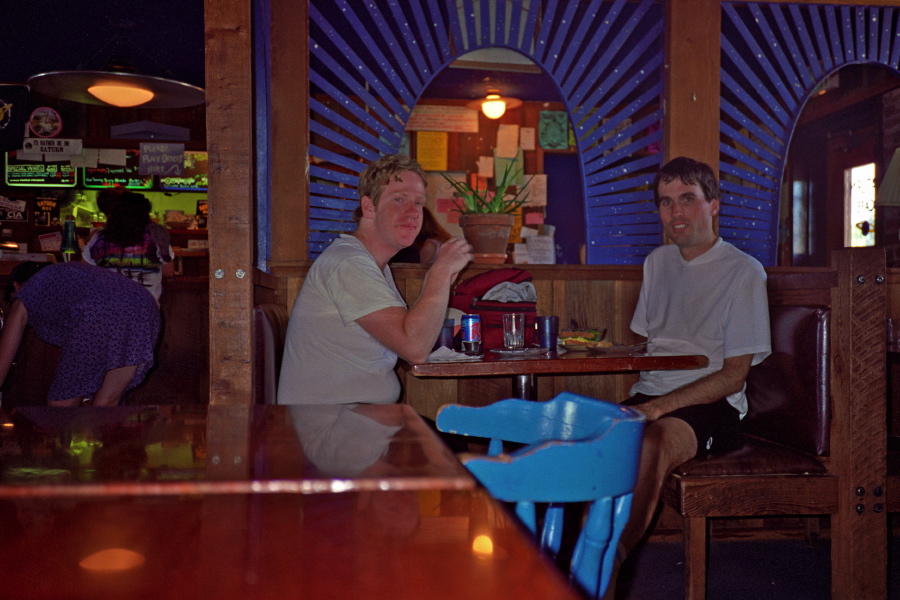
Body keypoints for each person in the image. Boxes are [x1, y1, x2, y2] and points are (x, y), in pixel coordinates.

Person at [611, 157, 772, 589]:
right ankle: (561, 549)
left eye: (687, 199)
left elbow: (734, 376)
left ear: (714, 205)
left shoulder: (743, 272)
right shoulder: (657, 262)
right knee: (585, 431)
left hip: (713, 405)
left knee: (653, 441)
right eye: (666, 203)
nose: (676, 213)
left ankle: (608, 566)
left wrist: (659, 408)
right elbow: (655, 345)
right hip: (652, 394)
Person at [277, 154, 472, 405]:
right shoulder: (348, 264)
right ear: (369, 207)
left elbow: (410, 336)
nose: (413, 212)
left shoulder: (371, 264)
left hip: (355, 421)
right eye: (399, 199)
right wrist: (440, 272)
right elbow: (414, 348)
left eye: (419, 202)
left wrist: (441, 278)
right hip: (330, 430)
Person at [0, 261, 161, 407]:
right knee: (107, 403)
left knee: (61, 406)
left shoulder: (28, 291)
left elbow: (3, 359)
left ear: (15, 287)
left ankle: (62, 437)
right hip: (145, 306)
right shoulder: (71, 275)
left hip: (100, 310)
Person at [82, 191, 174, 304]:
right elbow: (168, 272)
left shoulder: (100, 237)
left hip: (108, 309)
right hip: (146, 310)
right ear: (145, 214)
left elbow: (83, 269)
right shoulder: (157, 236)